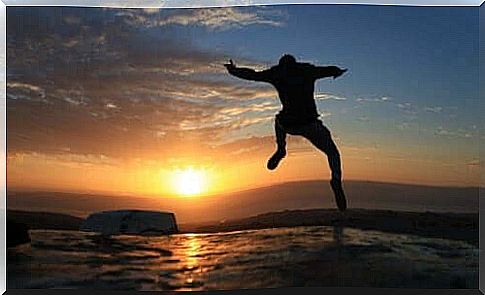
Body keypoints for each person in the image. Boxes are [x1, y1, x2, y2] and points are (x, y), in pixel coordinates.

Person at [224, 54, 348, 211]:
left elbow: (253, 75)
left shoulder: (277, 73)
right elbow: (327, 70)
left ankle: (281, 149)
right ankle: (336, 179)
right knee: (332, 152)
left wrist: (233, 70)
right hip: (311, 124)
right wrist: (337, 71)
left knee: (278, 120)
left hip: (289, 124)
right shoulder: (306, 70)